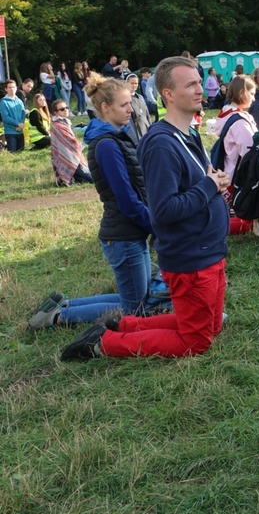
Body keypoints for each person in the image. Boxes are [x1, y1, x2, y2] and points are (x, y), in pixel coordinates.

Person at [60, 56, 230, 361]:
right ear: (167, 94)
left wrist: (214, 181)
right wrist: (209, 186)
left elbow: (197, 184)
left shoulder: (187, 134)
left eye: (198, 81)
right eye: (190, 84)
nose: (199, 88)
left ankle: (124, 325)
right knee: (196, 342)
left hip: (209, 251)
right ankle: (103, 344)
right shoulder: (162, 144)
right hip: (191, 258)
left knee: (212, 327)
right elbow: (164, 210)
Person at [28, 74, 153, 331]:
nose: (131, 109)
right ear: (105, 108)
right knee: (136, 308)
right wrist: (156, 225)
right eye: (124, 105)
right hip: (123, 235)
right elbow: (127, 200)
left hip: (129, 232)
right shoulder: (107, 145)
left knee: (135, 300)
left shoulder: (116, 139)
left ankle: (62, 306)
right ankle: (57, 317)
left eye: (130, 103)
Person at [213, 75, 257, 184]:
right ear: (242, 93)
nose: (254, 98)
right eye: (251, 94)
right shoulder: (240, 123)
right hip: (239, 178)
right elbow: (249, 152)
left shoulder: (227, 113)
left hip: (228, 173)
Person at [50, 98, 93, 185]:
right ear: (55, 112)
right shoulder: (57, 125)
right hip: (68, 159)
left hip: (74, 157)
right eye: (62, 109)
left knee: (88, 178)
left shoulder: (65, 122)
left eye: (66, 108)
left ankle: (75, 178)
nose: (65, 110)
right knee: (92, 179)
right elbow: (70, 141)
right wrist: (81, 145)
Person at [0, 79, 26, 152]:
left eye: (13, 87)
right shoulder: (3, 102)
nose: (12, 89)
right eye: (10, 87)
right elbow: (5, 118)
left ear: (16, 88)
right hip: (10, 132)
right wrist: (17, 124)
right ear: (6, 89)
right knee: (13, 153)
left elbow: (23, 114)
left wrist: (21, 125)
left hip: (20, 131)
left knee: (21, 153)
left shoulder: (19, 101)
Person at [125, 73, 151, 144]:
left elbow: (147, 115)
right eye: (132, 83)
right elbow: (128, 122)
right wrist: (135, 141)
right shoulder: (124, 100)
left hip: (146, 131)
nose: (134, 85)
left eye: (136, 83)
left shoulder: (140, 97)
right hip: (137, 135)